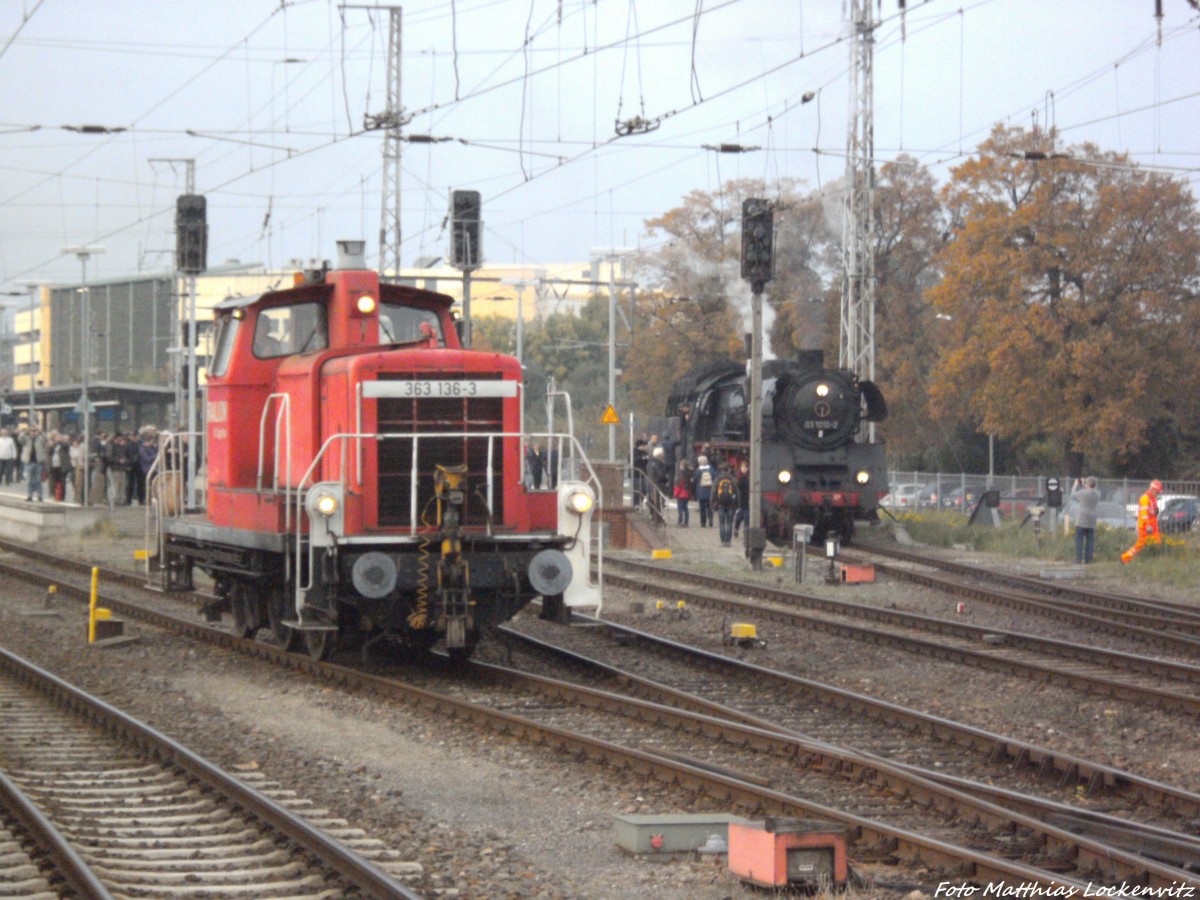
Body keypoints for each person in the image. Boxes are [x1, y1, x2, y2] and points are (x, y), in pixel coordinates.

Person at [1121, 479, 1163, 564]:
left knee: (1157, 543)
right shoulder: (1145, 498)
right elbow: (1144, 514)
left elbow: (1156, 512)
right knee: (1140, 545)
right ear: (1153, 489)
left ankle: (1154, 561)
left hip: (1153, 526)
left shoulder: (1153, 499)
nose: (1158, 493)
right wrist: (1148, 526)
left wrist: (1155, 511)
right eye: (1157, 492)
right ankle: (1124, 558)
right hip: (1145, 526)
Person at [1071, 476, 1101, 564]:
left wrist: (1075, 485)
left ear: (1087, 484)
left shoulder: (1083, 493)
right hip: (1092, 519)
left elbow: (1072, 495)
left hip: (1082, 518)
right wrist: (1085, 484)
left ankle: (1079, 559)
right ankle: (1089, 559)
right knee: (1090, 540)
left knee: (1079, 540)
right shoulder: (1097, 494)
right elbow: (1091, 490)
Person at [713, 462, 740, 547]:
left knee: (721, 523)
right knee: (729, 523)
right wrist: (737, 504)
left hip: (720, 504)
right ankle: (728, 541)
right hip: (730, 505)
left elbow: (713, 492)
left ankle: (722, 541)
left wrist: (713, 503)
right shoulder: (732, 479)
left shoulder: (718, 479)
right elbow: (737, 492)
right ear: (728, 470)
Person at [21, 426, 48, 502]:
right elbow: (20, 438)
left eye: (35, 431)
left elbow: (46, 438)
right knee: (29, 480)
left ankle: (40, 495)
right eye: (32, 431)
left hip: (38, 462)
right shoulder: (26, 439)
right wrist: (26, 431)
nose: (33, 432)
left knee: (38, 480)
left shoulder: (40, 439)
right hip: (29, 462)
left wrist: (40, 431)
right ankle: (30, 495)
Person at [646, 445, 669, 527]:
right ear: (659, 455)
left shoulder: (650, 462)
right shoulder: (658, 463)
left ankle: (655, 518)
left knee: (654, 502)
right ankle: (658, 520)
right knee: (658, 503)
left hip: (651, 484)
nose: (663, 455)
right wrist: (666, 478)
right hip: (658, 484)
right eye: (662, 454)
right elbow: (661, 474)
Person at [694, 454, 715, 528]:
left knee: (702, 508)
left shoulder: (698, 470)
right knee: (710, 507)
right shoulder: (711, 469)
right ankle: (711, 519)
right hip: (710, 491)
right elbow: (714, 477)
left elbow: (695, 479)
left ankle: (703, 523)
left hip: (701, 492)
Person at [733, 460, 750, 540]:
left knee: (746, 516)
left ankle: (746, 531)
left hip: (747, 499)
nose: (744, 469)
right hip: (740, 499)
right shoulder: (738, 477)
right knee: (740, 516)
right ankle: (736, 528)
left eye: (745, 467)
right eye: (743, 467)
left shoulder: (748, 476)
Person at [632, 433, 649, 509]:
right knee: (636, 489)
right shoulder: (634, 452)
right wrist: (642, 458)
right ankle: (636, 504)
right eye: (644, 445)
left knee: (644, 489)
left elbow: (647, 461)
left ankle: (642, 502)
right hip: (635, 474)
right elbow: (633, 461)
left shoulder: (645, 453)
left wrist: (646, 459)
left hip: (643, 473)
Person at [673, 461, 692, 527]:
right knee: (685, 508)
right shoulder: (689, 473)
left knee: (680, 508)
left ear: (682, 465)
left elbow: (679, 484)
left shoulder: (680, 473)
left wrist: (676, 493)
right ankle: (686, 522)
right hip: (687, 492)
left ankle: (680, 522)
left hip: (681, 493)